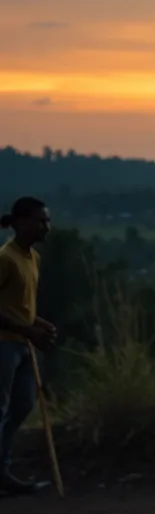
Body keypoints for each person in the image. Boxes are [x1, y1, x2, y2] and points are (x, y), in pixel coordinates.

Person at [0, 196, 57, 495]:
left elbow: (20, 305)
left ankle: (2, 469)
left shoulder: (33, 258)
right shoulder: (5, 258)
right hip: (4, 344)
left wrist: (39, 323)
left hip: (23, 344)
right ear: (21, 224)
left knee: (23, 405)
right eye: (41, 221)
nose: (47, 227)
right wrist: (27, 330)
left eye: (47, 221)